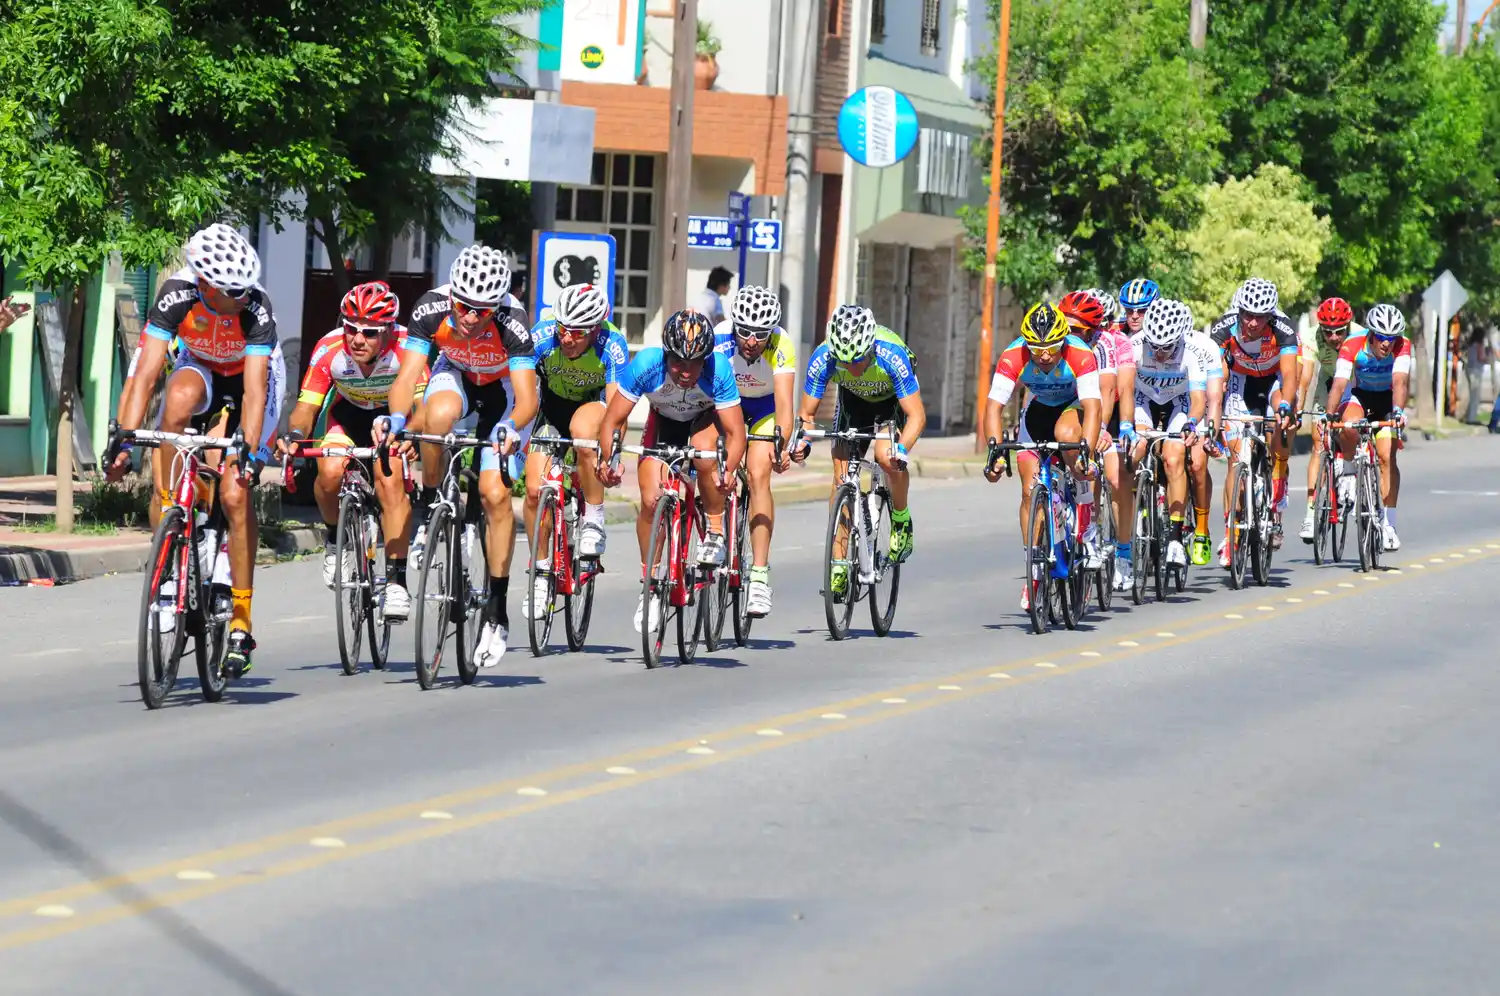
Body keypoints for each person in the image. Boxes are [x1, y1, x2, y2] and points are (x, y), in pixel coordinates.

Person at [106, 223, 283, 676]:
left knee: (233, 491)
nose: (242, 296)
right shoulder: (178, 294)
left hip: (250, 378)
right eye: (231, 290)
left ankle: (241, 619)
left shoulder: (256, 308)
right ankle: (171, 525)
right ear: (205, 283)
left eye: (246, 289)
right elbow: (145, 374)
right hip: (200, 365)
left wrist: (246, 447)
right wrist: (124, 440)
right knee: (174, 406)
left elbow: (255, 393)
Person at [375, 244, 537, 667]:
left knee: (495, 495)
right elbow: (407, 376)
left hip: (502, 396)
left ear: (496, 305)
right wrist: (396, 417)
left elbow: (525, 399)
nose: (469, 317)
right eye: (463, 306)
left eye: (481, 311)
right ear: (452, 296)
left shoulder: (512, 321)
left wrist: (509, 427)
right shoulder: (430, 308)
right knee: (437, 417)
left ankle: (497, 611)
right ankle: (430, 507)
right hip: (458, 376)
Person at [596, 309, 745, 634]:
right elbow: (612, 421)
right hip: (662, 425)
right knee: (651, 501)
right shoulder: (647, 364)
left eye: (694, 363)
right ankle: (650, 584)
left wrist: (728, 470)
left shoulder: (718, 369)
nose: (685, 371)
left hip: (704, 422)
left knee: (706, 456)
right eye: (678, 362)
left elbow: (736, 434)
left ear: (706, 358)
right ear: (666, 354)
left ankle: (716, 530)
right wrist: (610, 459)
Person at [279, 281, 419, 619]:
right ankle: (333, 540)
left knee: (389, 481)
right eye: (351, 329)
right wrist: (295, 433)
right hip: (348, 416)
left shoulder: (409, 347)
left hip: (393, 421)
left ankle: (397, 582)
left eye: (369, 333)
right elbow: (307, 405)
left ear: (387, 331)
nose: (358, 339)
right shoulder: (330, 348)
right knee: (328, 472)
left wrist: (414, 433)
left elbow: (422, 401)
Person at [511, 283, 629, 620]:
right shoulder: (543, 336)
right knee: (534, 492)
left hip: (594, 407)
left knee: (582, 433)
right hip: (550, 409)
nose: (566, 338)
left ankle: (593, 518)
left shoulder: (613, 344)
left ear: (594, 329)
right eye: (563, 329)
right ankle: (541, 571)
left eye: (576, 333)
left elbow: (619, 409)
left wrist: (612, 456)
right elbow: (522, 392)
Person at [795, 305, 926, 599]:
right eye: (846, 362)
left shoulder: (892, 356)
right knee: (841, 476)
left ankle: (902, 520)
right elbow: (806, 413)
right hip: (854, 402)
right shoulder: (824, 357)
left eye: (859, 360)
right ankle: (839, 563)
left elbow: (917, 417)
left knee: (885, 457)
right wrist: (802, 441)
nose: (852, 367)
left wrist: (901, 449)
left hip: (892, 400)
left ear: (870, 347)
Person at [981, 303, 1101, 609]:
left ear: (1063, 341)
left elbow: (1093, 406)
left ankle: (1086, 521)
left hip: (1072, 408)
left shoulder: (1081, 354)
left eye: (1051, 348)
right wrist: (994, 451)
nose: (1045, 355)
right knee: (1028, 490)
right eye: (1036, 349)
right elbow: (994, 406)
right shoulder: (1013, 356)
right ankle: (1034, 569)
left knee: (1069, 442)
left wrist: (1086, 447)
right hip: (1036, 413)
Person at [714, 285, 795, 617]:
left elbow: (785, 406)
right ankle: (713, 535)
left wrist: (782, 443)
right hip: (725, 403)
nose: (751, 340)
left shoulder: (781, 343)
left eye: (760, 334)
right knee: (711, 465)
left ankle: (759, 576)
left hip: (764, 409)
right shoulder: (719, 339)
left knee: (760, 473)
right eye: (744, 331)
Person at [1208, 276, 1300, 564]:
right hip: (1241, 382)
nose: (1252, 322)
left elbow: (1289, 376)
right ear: (1239, 311)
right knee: (1236, 461)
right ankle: (1231, 534)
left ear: (1270, 315)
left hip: (1272, 382)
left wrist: (1286, 405)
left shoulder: (1283, 330)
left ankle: (1279, 474)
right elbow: (1217, 373)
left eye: (1260, 317)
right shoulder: (1223, 328)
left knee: (1281, 421)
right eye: (1247, 315)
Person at [1128, 299, 1209, 568]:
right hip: (1144, 400)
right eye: (1155, 346)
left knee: (1174, 459)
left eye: (1167, 348)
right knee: (1135, 448)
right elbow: (1124, 390)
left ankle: (1175, 539)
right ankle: (1135, 505)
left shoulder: (1191, 353)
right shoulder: (1135, 347)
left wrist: (1193, 423)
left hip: (1178, 402)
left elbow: (1198, 398)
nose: (1160, 353)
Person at [1325, 303, 1411, 551]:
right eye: (1382, 338)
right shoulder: (1352, 344)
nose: (1387, 344)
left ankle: (1389, 526)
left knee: (1386, 457)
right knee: (1349, 426)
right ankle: (1349, 471)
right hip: (1360, 395)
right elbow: (1340, 384)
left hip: (1386, 399)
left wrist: (1398, 412)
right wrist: (1329, 416)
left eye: (1391, 338)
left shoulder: (1402, 346)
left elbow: (1400, 381)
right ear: (1371, 334)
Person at [1056, 290, 1116, 573]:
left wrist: (1101, 429)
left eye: (1077, 330)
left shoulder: (1102, 349)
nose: (1068, 335)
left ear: (1092, 332)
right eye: (1064, 327)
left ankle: (1089, 527)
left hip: (1086, 404)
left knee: (1082, 456)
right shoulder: (1052, 343)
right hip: (1056, 402)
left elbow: (1105, 393)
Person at [1297, 297, 1361, 543]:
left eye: (1339, 331)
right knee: (1318, 443)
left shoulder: (1360, 336)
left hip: (1353, 384)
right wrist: (1299, 408)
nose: (1334, 337)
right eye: (1328, 332)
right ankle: (1311, 512)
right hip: (1327, 386)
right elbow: (1305, 378)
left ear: (1349, 325)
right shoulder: (1311, 337)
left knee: (1350, 427)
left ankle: (1350, 469)